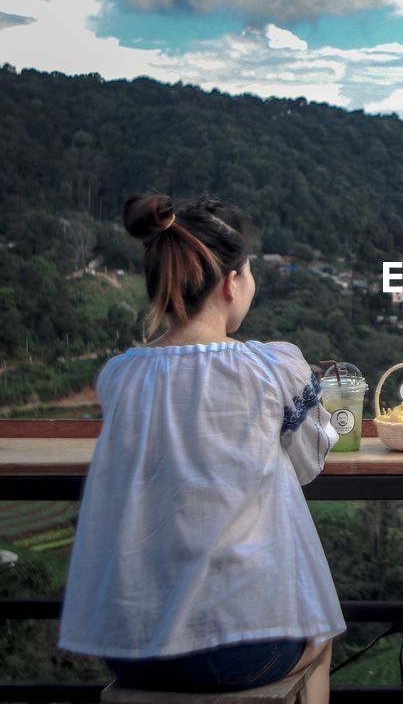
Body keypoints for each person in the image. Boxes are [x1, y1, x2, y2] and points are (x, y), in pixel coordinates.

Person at [59, 194, 343, 700]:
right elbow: (307, 461)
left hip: (132, 648)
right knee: (321, 632)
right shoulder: (273, 368)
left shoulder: (122, 376)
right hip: (239, 649)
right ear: (232, 282)